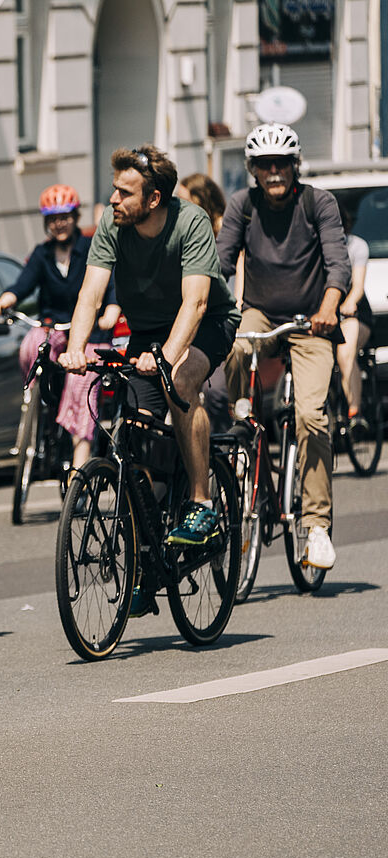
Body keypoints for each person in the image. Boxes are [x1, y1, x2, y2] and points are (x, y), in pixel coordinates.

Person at [58, 146, 240, 617]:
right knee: (134, 432)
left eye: (124, 192)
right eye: (114, 189)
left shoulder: (190, 221)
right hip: (146, 331)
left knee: (180, 384)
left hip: (205, 324)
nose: (113, 199)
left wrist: (165, 357)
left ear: (154, 198)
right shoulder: (112, 225)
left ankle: (202, 503)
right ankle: (145, 559)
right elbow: (91, 292)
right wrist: (76, 348)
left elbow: (197, 303)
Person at [218, 123, 349, 571]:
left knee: (311, 417)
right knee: (235, 344)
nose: (273, 172)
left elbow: (338, 264)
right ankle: (243, 420)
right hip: (260, 313)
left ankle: (315, 526)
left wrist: (330, 306)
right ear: (252, 169)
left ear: (295, 165)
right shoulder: (242, 205)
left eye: (281, 163)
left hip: (311, 320)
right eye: (264, 165)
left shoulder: (318, 203)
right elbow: (219, 265)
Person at [0, 184, 121, 473]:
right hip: (56, 327)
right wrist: (3, 300)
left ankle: (79, 462)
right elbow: (23, 285)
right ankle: (37, 400)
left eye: (64, 216)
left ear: (75, 217)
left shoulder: (91, 247)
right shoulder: (42, 254)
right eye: (52, 218)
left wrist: (111, 311)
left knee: (79, 380)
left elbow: (109, 284)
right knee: (32, 343)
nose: (59, 224)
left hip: (91, 334)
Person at [175, 173, 232, 433]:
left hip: (222, 323)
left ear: (199, 200)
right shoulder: (186, 234)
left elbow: (238, 281)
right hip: (194, 323)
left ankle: (222, 454)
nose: (177, 206)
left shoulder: (227, 233)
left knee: (217, 393)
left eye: (183, 200)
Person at [335, 201, 372, 425]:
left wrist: (348, 304)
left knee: (345, 352)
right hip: (323, 313)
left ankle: (354, 412)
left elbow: (357, 287)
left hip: (354, 313)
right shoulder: (312, 247)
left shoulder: (357, 246)